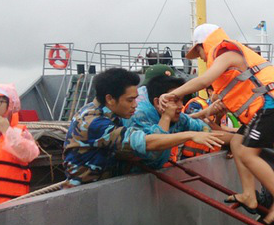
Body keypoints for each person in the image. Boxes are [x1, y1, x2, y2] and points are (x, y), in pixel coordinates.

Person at [160, 23, 274, 223]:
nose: (199, 56)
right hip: (265, 106)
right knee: (237, 143)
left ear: (204, 44)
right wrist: (194, 116)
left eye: (198, 50)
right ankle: (249, 195)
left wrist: (172, 94)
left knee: (248, 154)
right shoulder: (228, 63)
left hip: (271, 103)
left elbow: (202, 81)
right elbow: (219, 105)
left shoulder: (226, 54)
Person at [63, 68, 223, 186]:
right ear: (110, 99)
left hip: (107, 189)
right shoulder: (94, 122)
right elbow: (145, 143)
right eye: (130, 100)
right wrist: (189, 135)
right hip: (88, 195)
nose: (135, 105)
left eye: (136, 99)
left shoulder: (111, 113)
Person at [122, 75, 213, 169]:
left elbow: (205, 130)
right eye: (175, 100)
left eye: (182, 100)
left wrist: (229, 138)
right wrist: (166, 117)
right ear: (157, 102)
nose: (181, 106)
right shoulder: (137, 116)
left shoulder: (178, 116)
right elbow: (154, 151)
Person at [0, 84, 39, 207]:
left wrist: (7, 132)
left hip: (9, 206)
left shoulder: (21, 132)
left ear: (9, 104)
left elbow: (29, 155)